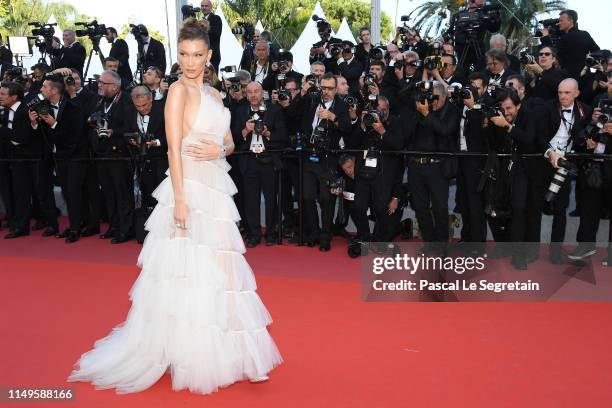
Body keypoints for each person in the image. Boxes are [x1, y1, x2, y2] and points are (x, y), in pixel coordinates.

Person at [68, 18, 282, 394]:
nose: (190, 61)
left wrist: (220, 149)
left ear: (209, 55)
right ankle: (188, 351)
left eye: (197, 54)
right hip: (188, 187)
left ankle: (243, 353)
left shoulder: (217, 97)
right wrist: (180, 201)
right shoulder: (179, 93)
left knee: (225, 268)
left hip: (216, 187)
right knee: (187, 271)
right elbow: (172, 149)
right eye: (183, 54)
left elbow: (230, 143)